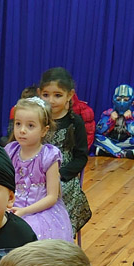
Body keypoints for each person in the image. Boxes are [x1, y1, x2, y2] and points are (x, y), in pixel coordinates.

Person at [5, 98, 73, 241]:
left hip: (40, 213)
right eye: (18, 124)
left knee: (31, 233)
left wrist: (24, 211)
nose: (22, 130)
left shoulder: (49, 156)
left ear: (44, 130)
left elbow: (52, 197)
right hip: (11, 208)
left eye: (30, 125)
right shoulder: (10, 151)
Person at [40, 68, 92, 235]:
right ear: (39, 93)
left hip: (63, 178)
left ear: (69, 95)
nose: (51, 100)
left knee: (56, 195)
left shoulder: (75, 122)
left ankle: (58, 237)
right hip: (35, 174)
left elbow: (81, 157)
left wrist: (59, 175)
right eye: (46, 95)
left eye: (57, 95)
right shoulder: (37, 118)